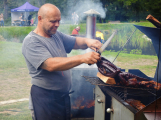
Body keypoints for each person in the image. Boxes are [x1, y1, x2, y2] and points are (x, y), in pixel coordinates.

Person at [22, 3, 101, 120]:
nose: (57, 25)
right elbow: (50, 64)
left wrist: (88, 41)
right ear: (40, 19)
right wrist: (82, 58)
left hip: (62, 97)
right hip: (45, 99)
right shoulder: (31, 41)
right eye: (53, 21)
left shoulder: (55, 35)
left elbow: (75, 42)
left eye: (59, 21)